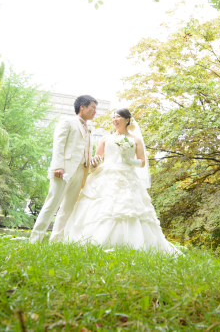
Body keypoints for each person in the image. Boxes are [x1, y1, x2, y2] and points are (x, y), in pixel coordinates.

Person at [63, 108, 178, 254]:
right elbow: (96, 160)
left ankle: (130, 243)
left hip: (127, 177)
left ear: (127, 120)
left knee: (128, 209)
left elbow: (142, 162)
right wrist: (95, 161)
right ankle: (92, 240)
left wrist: (129, 160)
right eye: (113, 117)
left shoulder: (135, 140)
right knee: (102, 207)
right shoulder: (105, 139)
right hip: (106, 176)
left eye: (118, 117)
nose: (114, 119)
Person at [29, 95, 99, 244]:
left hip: (81, 172)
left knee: (67, 209)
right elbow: (58, 145)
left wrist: (92, 162)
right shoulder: (67, 122)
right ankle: (35, 240)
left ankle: (55, 242)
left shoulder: (90, 129)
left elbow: (86, 152)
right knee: (51, 204)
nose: (95, 111)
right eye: (93, 107)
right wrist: (58, 166)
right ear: (82, 107)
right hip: (64, 171)